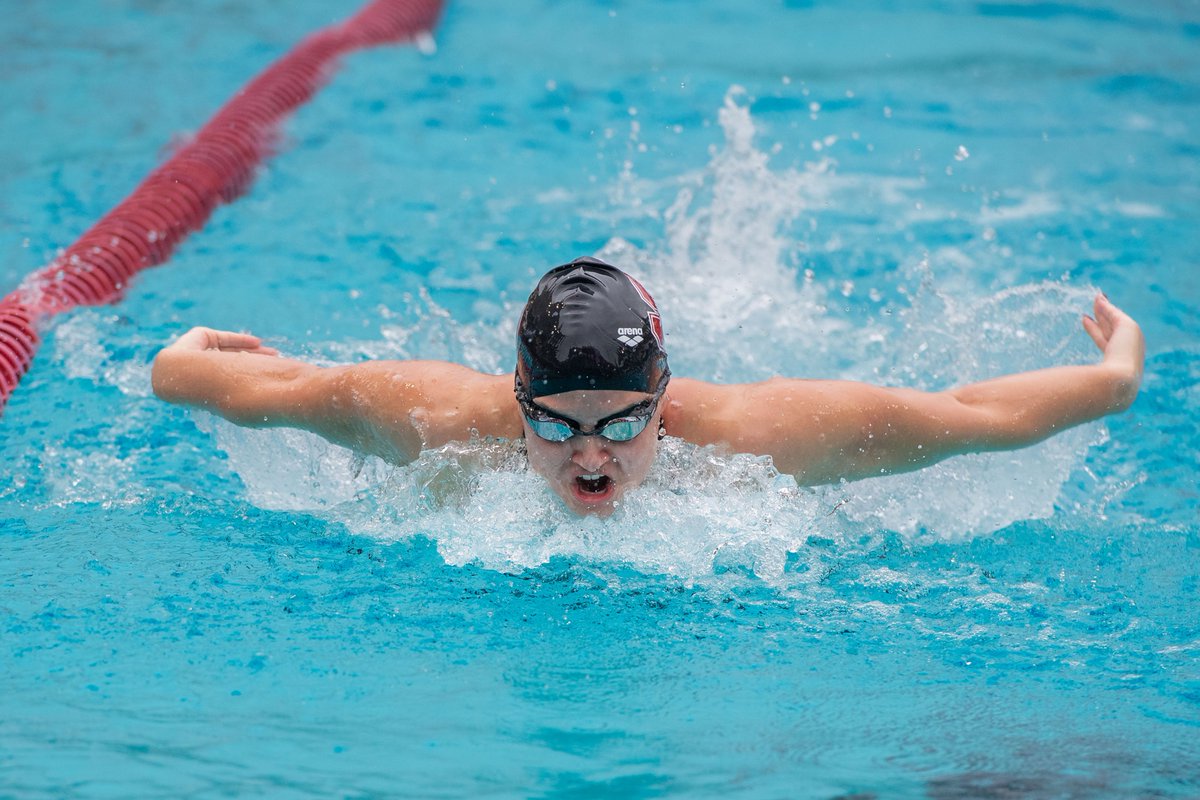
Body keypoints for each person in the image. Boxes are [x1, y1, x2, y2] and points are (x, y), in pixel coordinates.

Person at [151, 256, 1145, 516]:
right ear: (516, 398)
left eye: (625, 421)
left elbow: (970, 416)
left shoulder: (758, 436)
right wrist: (183, 353)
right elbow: (221, 382)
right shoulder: (438, 417)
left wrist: (1114, 377)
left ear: (664, 401)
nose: (591, 452)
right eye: (556, 423)